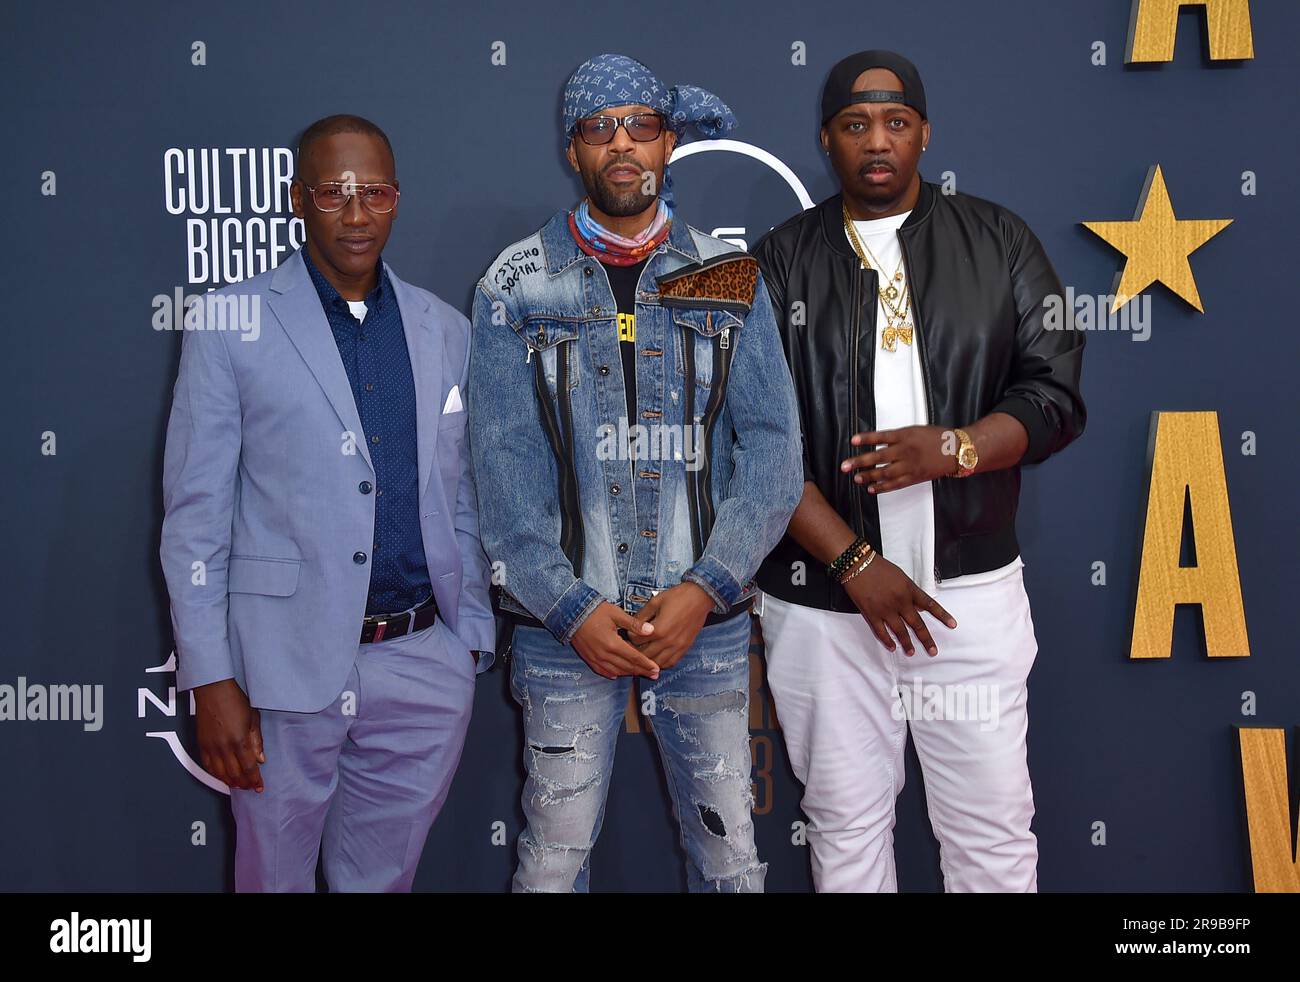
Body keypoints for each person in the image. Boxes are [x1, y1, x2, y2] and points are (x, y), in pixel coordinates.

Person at [752, 51, 1086, 892]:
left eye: (896, 123)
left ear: (924, 133)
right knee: (845, 833)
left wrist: (959, 447)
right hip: (824, 606)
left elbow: (1054, 392)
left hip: (968, 603)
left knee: (992, 836)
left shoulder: (998, 238)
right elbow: (753, 441)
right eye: (856, 124)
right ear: (826, 139)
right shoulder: (780, 261)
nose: (878, 142)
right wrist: (854, 564)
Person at [468, 53, 802, 892]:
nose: (622, 145)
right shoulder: (515, 282)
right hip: (561, 632)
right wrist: (573, 607)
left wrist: (708, 586)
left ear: (669, 142)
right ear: (573, 151)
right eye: (598, 128)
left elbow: (772, 449)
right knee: (552, 862)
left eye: (640, 126)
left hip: (707, 625)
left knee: (731, 859)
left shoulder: (726, 275)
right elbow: (501, 469)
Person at [160, 114, 494, 892]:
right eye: (333, 193)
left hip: (421, 662)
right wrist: (211, 680)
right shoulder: (230, 321)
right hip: (280, 669)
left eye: (373, 192)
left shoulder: (443, 328)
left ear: (397, 200)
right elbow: (194, 519)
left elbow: (465, 491)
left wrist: (467, 635)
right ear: (297, 200)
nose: (355, 214)